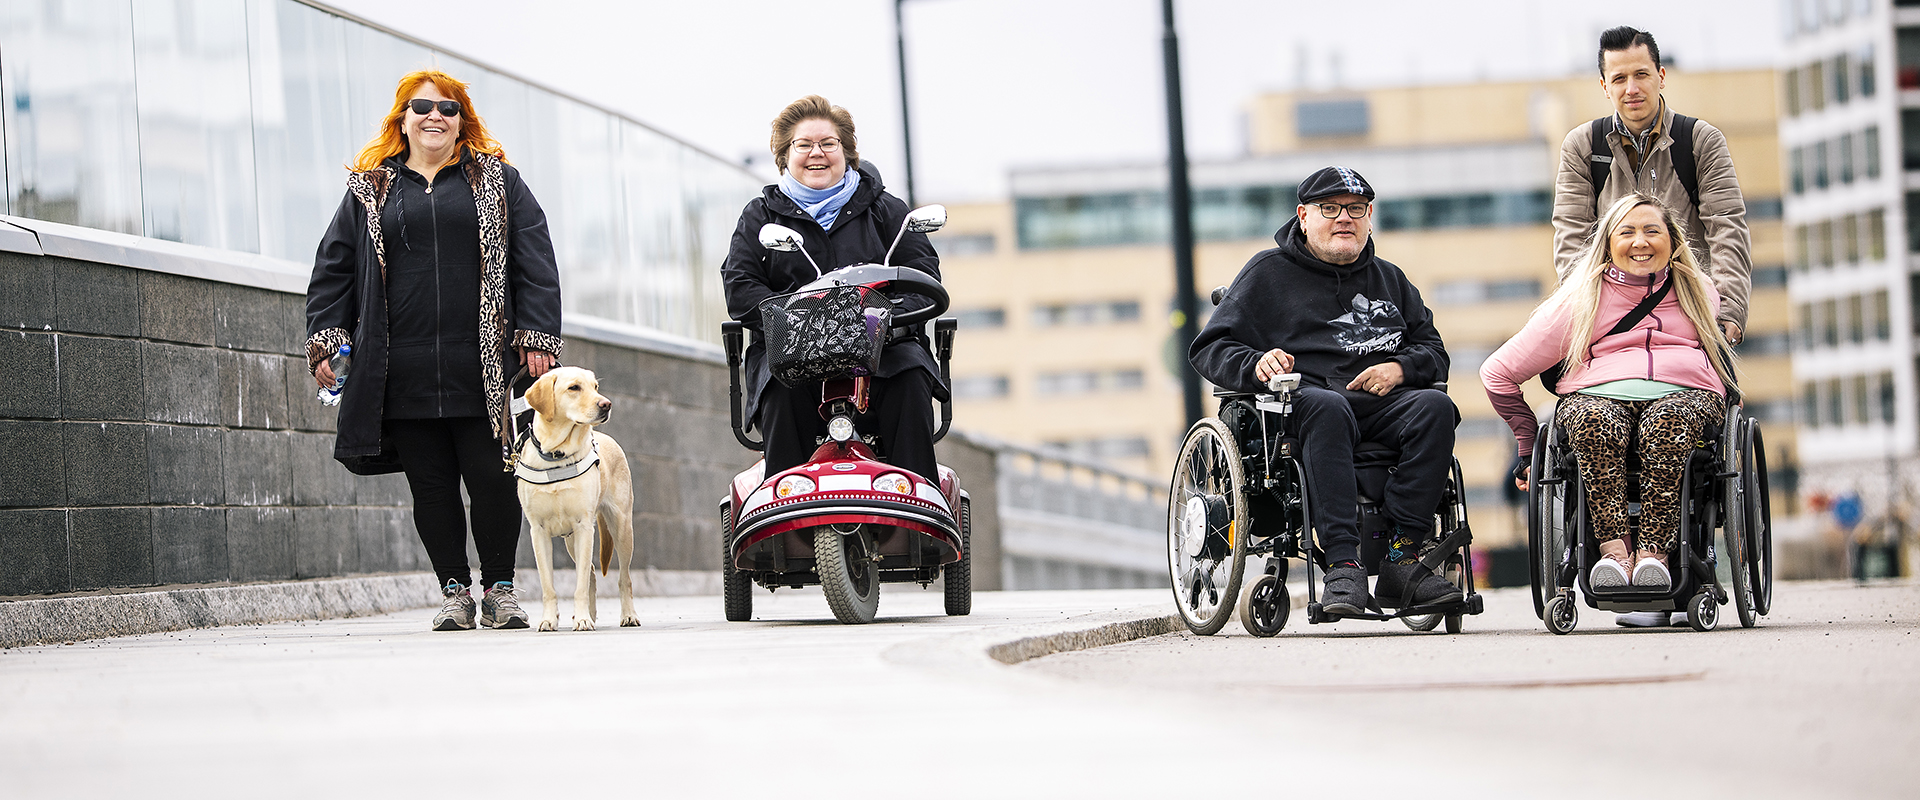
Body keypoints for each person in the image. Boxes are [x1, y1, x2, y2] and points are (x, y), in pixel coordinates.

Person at [305, 70, 562, 632]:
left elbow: (535, 263)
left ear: (461, 121)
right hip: (404, 365)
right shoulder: (370, 190)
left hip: (484, 364)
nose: (434, 117)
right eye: (422, 107)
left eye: (448, 110)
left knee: (493, 480)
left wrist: (538, 337)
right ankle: (454, 592)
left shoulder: (499, 182)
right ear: (403, 118)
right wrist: (326, 338)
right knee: (432, 486)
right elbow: (333, 270)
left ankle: (499, 591)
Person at [1190, 166, 1459, 616]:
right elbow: (1209, 347)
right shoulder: (1266, 274)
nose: (1344, 219)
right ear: (1303, 216)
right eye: (1329, 209)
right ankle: (1344, 563)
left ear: (1369, 216)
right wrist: (1256, 363)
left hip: (1380, 407)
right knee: (1326, 406)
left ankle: (1402, 557)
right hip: (1299, 407)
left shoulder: (1390, 279)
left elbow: (1433, 351)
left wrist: (1400, 366)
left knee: (1435, 406)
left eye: (1355, 210)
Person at [1482, 193, 1738, 628]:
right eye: (1628, 231)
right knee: (1593, 420)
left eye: (1653, 230)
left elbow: (1719, 359)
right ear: (1608, 242)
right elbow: (1498, 373)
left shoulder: (1700, 293)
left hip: (1685, 394)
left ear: (1673, 242)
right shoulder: (1580, 298)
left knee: (1667, 421)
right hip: (1599, 394)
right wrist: (1527, 443)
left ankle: (1655, 555)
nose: (1641, 241)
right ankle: (1614, 555)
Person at [721, 95, 945, 483]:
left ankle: (915, 511)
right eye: (803, 145)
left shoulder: (886, 210)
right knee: (781, 390)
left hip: (883, 349)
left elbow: (923, 276)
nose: (816, 154)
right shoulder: (761, 216)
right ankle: (787, 512)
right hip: (793, 354)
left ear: (847, 151)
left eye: (828, 143)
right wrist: (795, 322)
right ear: (784, 156)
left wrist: (883, 319)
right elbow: (740, 286)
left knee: (909, 378)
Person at [1553, 25, 1752, 348]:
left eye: (1641, 75)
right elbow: (1572, 240)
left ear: (1661, 76)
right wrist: (1581, 316)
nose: (1631, 88)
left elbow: (1727, 228)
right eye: (1619, 79)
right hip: (1611, 320)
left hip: (1691, 314)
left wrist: (1727, 312)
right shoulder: (1582, 146)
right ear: (1605, 86)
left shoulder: (1700, 141)